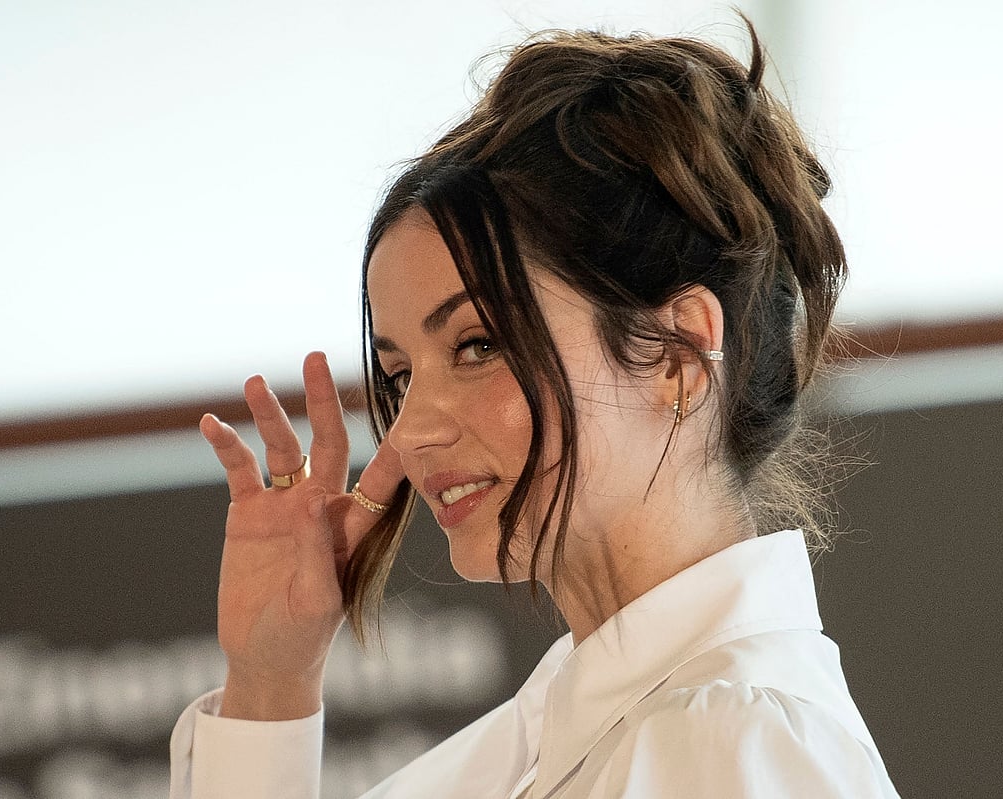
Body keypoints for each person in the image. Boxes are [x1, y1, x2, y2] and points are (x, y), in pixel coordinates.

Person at [170, 20, 899, 799]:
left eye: (478, 344)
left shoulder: (728, 742)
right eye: (399, 373)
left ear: (680, 354)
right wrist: (269, 684)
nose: (412, 430)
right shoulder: (566, 727)